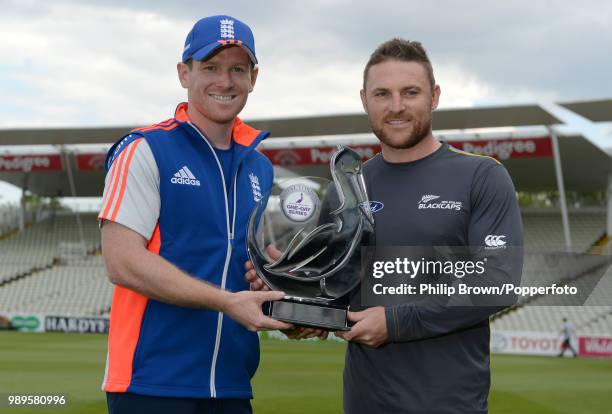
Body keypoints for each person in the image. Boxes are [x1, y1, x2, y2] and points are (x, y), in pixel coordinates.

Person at [99, 15, 291, 414]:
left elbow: (240, 256)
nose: (225, 81)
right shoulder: (145, 149)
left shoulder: (258, 166)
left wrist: (282, 282)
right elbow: (122, 262)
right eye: (211, 67)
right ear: (184, 73)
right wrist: (225, 301)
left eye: (238, 69)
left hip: (233, 386)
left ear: (254, 78)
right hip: (151, 383)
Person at [332, 38, 524, 414]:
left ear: (434, 97)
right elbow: (337, 289)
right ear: (364, 99)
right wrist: (291, 291)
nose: (396, 106)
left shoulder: (481, 176)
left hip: (448, 404)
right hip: (364, 403)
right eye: (382, 93)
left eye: (411, 92)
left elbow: (497, 283)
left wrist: (397, 321)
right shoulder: (349, 186)